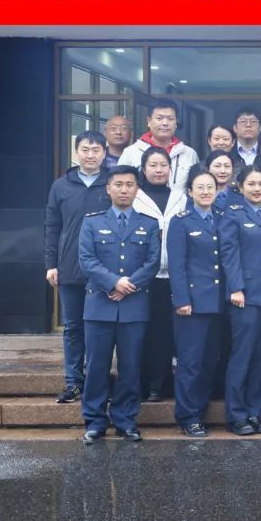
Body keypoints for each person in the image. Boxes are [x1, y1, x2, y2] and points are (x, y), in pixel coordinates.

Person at [78, 165, 162, 444]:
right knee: (96, 367)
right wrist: (113, 282)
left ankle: (126, 420)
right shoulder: (92, 222)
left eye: (129, 185)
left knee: (131, 367)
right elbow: (87, 260)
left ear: (137, 189)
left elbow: (152, 262)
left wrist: (128, 286)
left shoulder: (149, 223)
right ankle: (94, 421)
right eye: (118, 184)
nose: (124, 190)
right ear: (108, 188)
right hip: (99, 305)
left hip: (134, 306)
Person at [44, 131, 111, 404]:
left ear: (105, 153)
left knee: (102, 328)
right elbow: (52, 226)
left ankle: (98, 381)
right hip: (70, 266)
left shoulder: (113, 183)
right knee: (73, 328)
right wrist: (51, 264)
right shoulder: (61, 186)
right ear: (76, 152)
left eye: (96, 150)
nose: (90, 155)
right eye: (85, 149)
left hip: (106, 271)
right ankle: (73, 382)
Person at [219, 165, 261, 436]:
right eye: (251, 184)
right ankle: (236, 415)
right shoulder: (233, 214)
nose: (257, 189)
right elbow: (229, 253)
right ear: (240, 187)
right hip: (244, 296)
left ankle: (254, 412)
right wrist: (236, 287)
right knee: (242, 356)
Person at [167, 167, 225, 437]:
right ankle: (187, 416)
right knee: (190, 362)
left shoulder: (222, 218)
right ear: (190, 192)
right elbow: (176, 265)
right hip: (191, 304)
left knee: (210, 360)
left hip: (218, 302)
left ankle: (200, 410)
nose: (205, 192)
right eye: (200, 187)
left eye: (210, 187)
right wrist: (181, 300)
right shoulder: (181, 221)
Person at [132, 147, 186, 402]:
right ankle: (144, 384)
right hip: (144, 276)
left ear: (170, 169)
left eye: (163, 165)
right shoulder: (135, 196)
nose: (158, 170)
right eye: (153, 165)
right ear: (144, 169)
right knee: (144, 331)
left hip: (174, 276)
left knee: (166, 332)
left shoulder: (181, 197)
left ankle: (163, 384)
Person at [118, 98, 199, 192]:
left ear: (176, 123)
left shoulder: (189, 154)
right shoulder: (131, 152)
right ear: (149, 121)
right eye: (159, 118)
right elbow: (119, 185)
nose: (165, 123)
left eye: (170, 119)